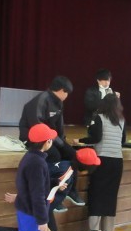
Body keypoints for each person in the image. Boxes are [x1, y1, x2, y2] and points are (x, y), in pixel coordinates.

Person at [18, 75, 85, 206]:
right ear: (61, 90)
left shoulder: (59, 103)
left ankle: (71, 190)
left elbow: (59, 126)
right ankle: (52, 193)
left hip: (50, 138)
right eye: (67, 92)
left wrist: (63, 143)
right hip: (35, 138)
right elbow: (37, 127)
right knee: (55, 155)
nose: (67, 96)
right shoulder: (41, 100)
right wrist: (58, 143)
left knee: (72, 154)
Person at [11, 123, 56, 231]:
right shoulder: (38, 163)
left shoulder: (29, 157)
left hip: (23, 209)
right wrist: (42, 220)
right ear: (46, 142)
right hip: (31, 213)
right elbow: (38, 194)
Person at [74, 93, 125, 231]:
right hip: (117, 161)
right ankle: (107, 229)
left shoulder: (99, 118)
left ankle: (94, 230)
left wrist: (80, 140)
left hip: (101, 160)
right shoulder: (121, 120)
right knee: (111, 194)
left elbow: (96, 138)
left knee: (96, 192)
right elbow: (123, 140)